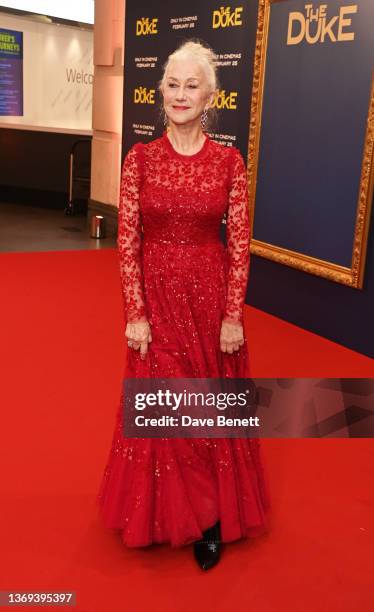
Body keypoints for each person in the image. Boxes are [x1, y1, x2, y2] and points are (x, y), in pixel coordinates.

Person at [97, 40, 270, 571]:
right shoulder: (139, 158)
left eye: (191, 84)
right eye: (171, 83)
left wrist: (233, 315)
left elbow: (239, 242)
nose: (179, 93)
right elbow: (127, 238)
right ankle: (173, 513)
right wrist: (135, 312)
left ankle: (212, 516)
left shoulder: (228, 162)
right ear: (161, 90)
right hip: (157, 298)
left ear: (210, 95)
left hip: (210, 299)